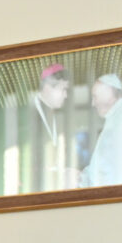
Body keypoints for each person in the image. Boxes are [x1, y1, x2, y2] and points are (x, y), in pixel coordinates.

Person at [19, 63, 75, 193]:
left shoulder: (50, 114)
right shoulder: (28, 115)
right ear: (48, 88)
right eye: (63, 89)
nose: (66, 95)